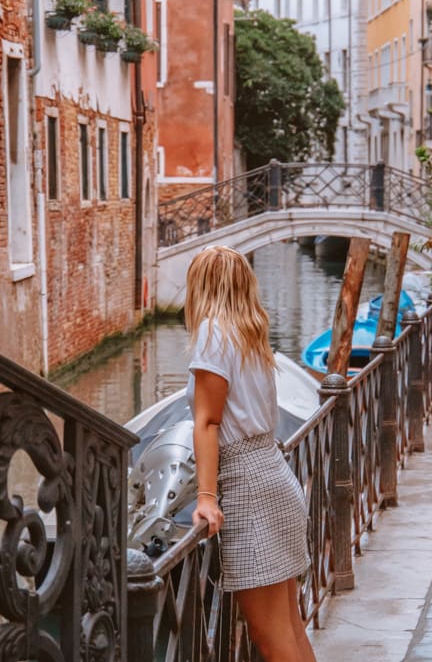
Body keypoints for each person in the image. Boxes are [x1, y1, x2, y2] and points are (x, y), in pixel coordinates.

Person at [185, 246, 317, 662]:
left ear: (201, 286)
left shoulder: (211, 333)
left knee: (271, 637)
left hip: (247, 489)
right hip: (275, 476)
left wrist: (206, 497)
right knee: (290, 627)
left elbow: (207, 422)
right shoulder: (250, 336)